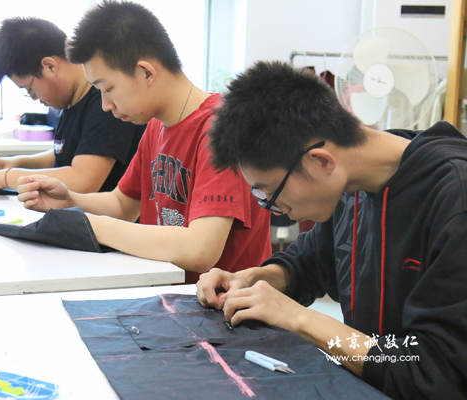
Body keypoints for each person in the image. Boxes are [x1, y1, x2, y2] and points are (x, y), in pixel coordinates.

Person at [196, 60, 467, 399]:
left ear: (321, 161)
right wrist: (251, 279)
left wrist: (299, 319)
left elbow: (434, 372)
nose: (277, 209)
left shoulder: (454, 197)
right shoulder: (351, 183)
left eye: (272, 194)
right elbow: (310, 263)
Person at [16, 1, 272, 283]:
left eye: (107, 88)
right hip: (168, 291)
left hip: (221, 304)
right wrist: (70, 201)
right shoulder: (155, 126)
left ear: (146, 72)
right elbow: (123, 204)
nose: (105, 105)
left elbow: (200, 250)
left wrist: (93, 225)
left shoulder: (220, 129)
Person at [0, 17, 145, 193]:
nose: (33, 98)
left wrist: (5, 178)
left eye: (30, 89)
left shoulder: (105, 104)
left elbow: (83, 180)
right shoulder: (73, 100)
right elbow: (68, 153)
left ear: (49, 66)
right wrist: (19, 162)